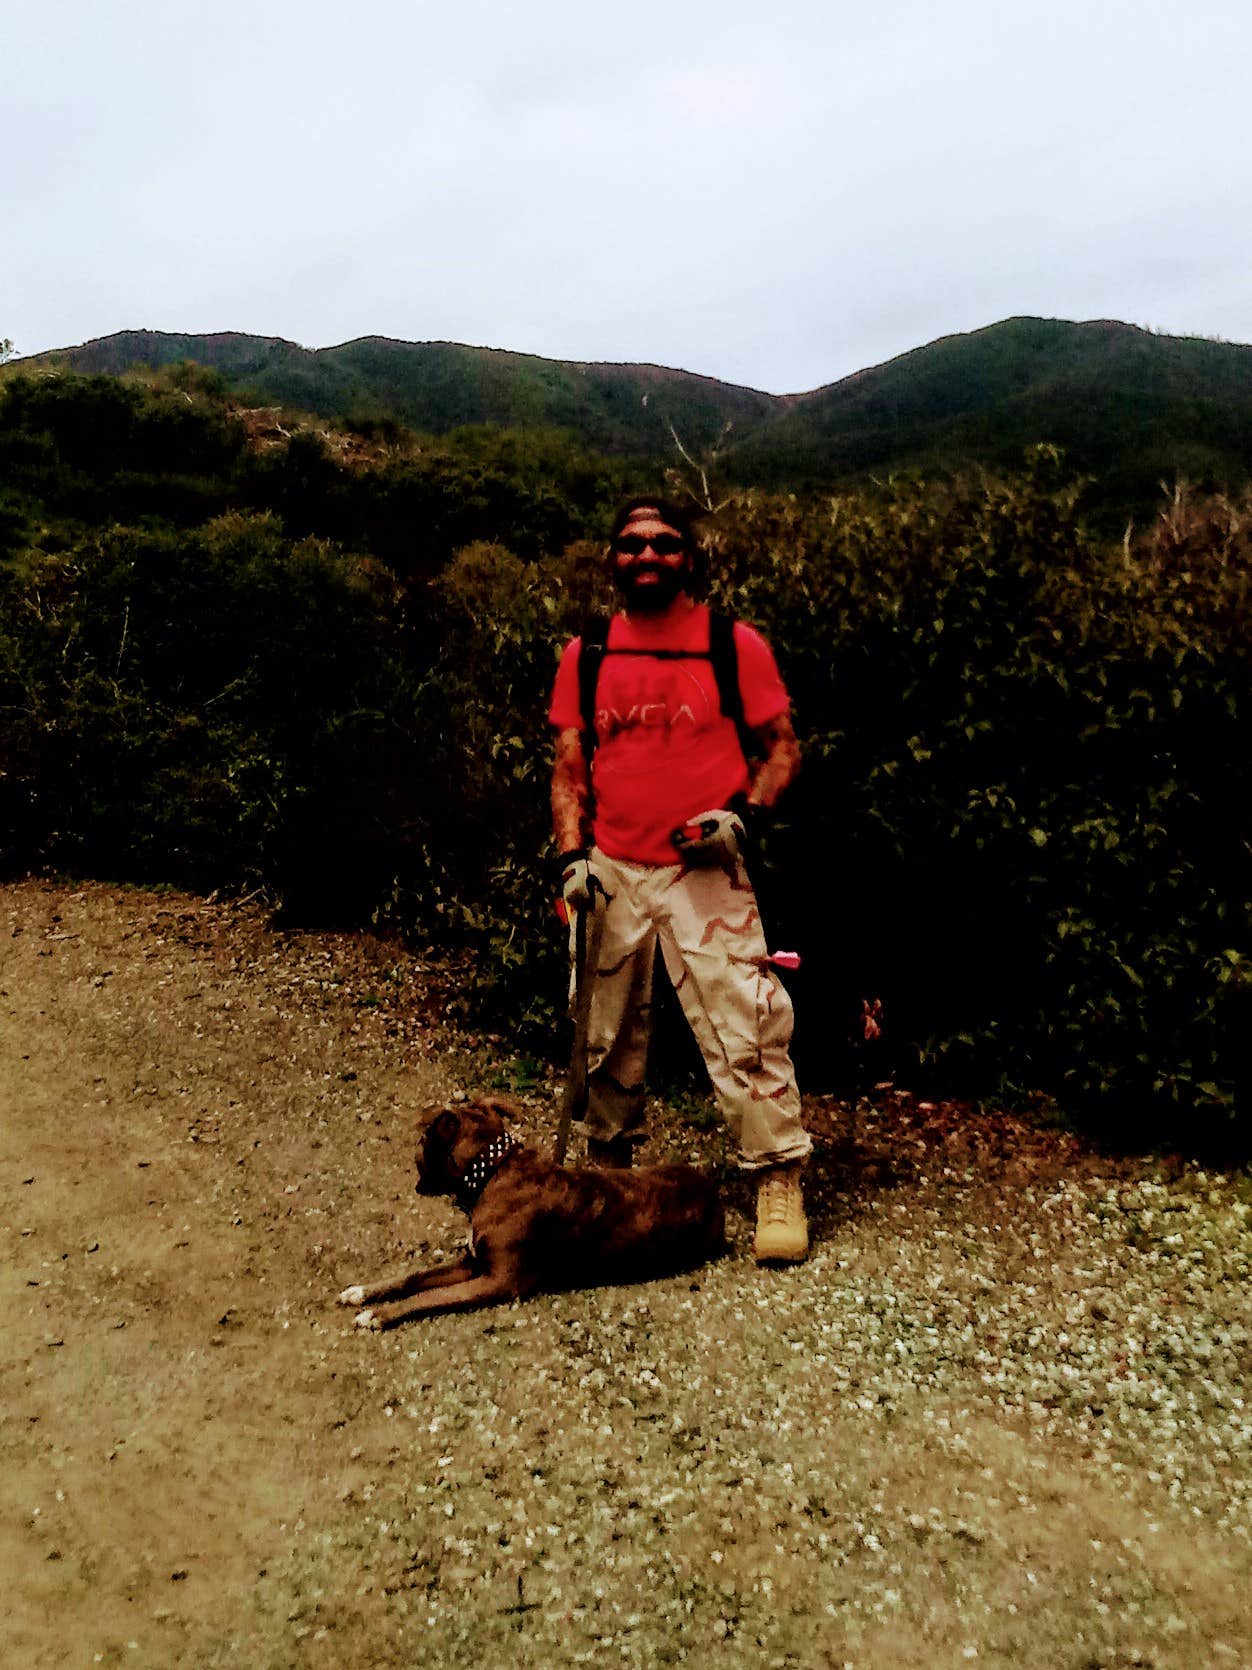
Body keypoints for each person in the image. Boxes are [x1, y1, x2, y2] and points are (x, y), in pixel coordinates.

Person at [548, 496, 812, 1262]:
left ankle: (777, 1181)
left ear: (689, 558)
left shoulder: (733, 645)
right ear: (613, 559)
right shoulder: (589, 652)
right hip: (613, 867)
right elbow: (569, 767)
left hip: (705, 868)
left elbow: (783, 747)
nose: (647, 556)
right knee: (601, 1030)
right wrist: (572, 859)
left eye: (664, 544)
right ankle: (610, 1182)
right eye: (631, 545)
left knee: (748, 1019)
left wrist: (746, 817)